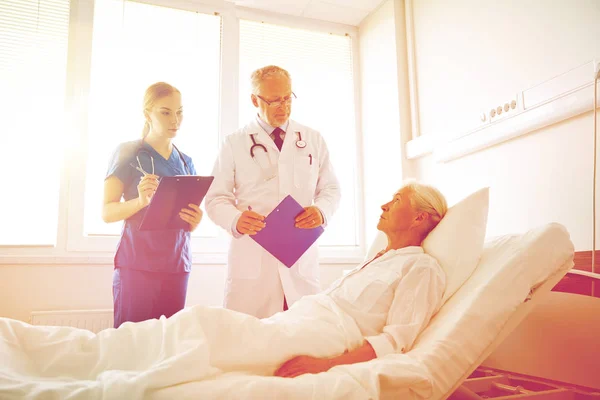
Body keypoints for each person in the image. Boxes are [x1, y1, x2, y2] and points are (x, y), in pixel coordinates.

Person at [0, 182, 449, 399]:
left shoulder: (422, 268)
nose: (386, 202)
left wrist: (324, 365)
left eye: (398, 199)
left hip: (327, 335)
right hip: (304, 318)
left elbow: (395, 341)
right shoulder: (380, 258)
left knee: (203, 325)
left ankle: (89, 375)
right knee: (200, 323)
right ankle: (66, 358)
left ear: (422, 217)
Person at [205, 65, 341, 318]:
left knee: (302, 336)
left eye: (288, 98)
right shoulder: (235, 143)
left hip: (299, 258)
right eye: (274, 100)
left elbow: (331, 188)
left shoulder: (312, 139)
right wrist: (235, 219)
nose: (284, 106)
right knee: (249, 341)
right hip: (254, 259)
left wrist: (321, 211)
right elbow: (215, 198)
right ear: (255, 100)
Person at [102, 82, 203, 328]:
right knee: (132, 345)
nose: (175, 120)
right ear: (147, 113)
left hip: (177, 265)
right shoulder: (128, 152)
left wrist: (195, 221)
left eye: (179, 112)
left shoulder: (186, 162)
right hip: (138, 265)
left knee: (167, 345)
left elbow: (184, 223)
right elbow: (107, 211)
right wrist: (140, 202)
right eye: (165, 112)